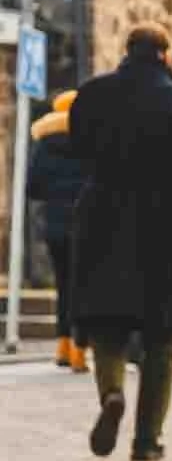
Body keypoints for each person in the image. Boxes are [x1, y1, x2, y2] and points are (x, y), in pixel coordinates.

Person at [66, 26, 172, 461]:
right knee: (161, 337)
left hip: (102, 221)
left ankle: (112, 392)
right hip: (164, 229)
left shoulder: (93, 96)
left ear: (127, 51)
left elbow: (77, 152)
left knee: (107, 327)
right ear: (164, 56)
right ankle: (147, 439)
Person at [27, 90, 89, 373]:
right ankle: (79, 350)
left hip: (55, 223)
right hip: (86, 222)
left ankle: (62, 345)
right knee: (83, 286)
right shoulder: (90, 139)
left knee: (63, 285)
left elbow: (33, 187)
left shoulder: (45, 144)